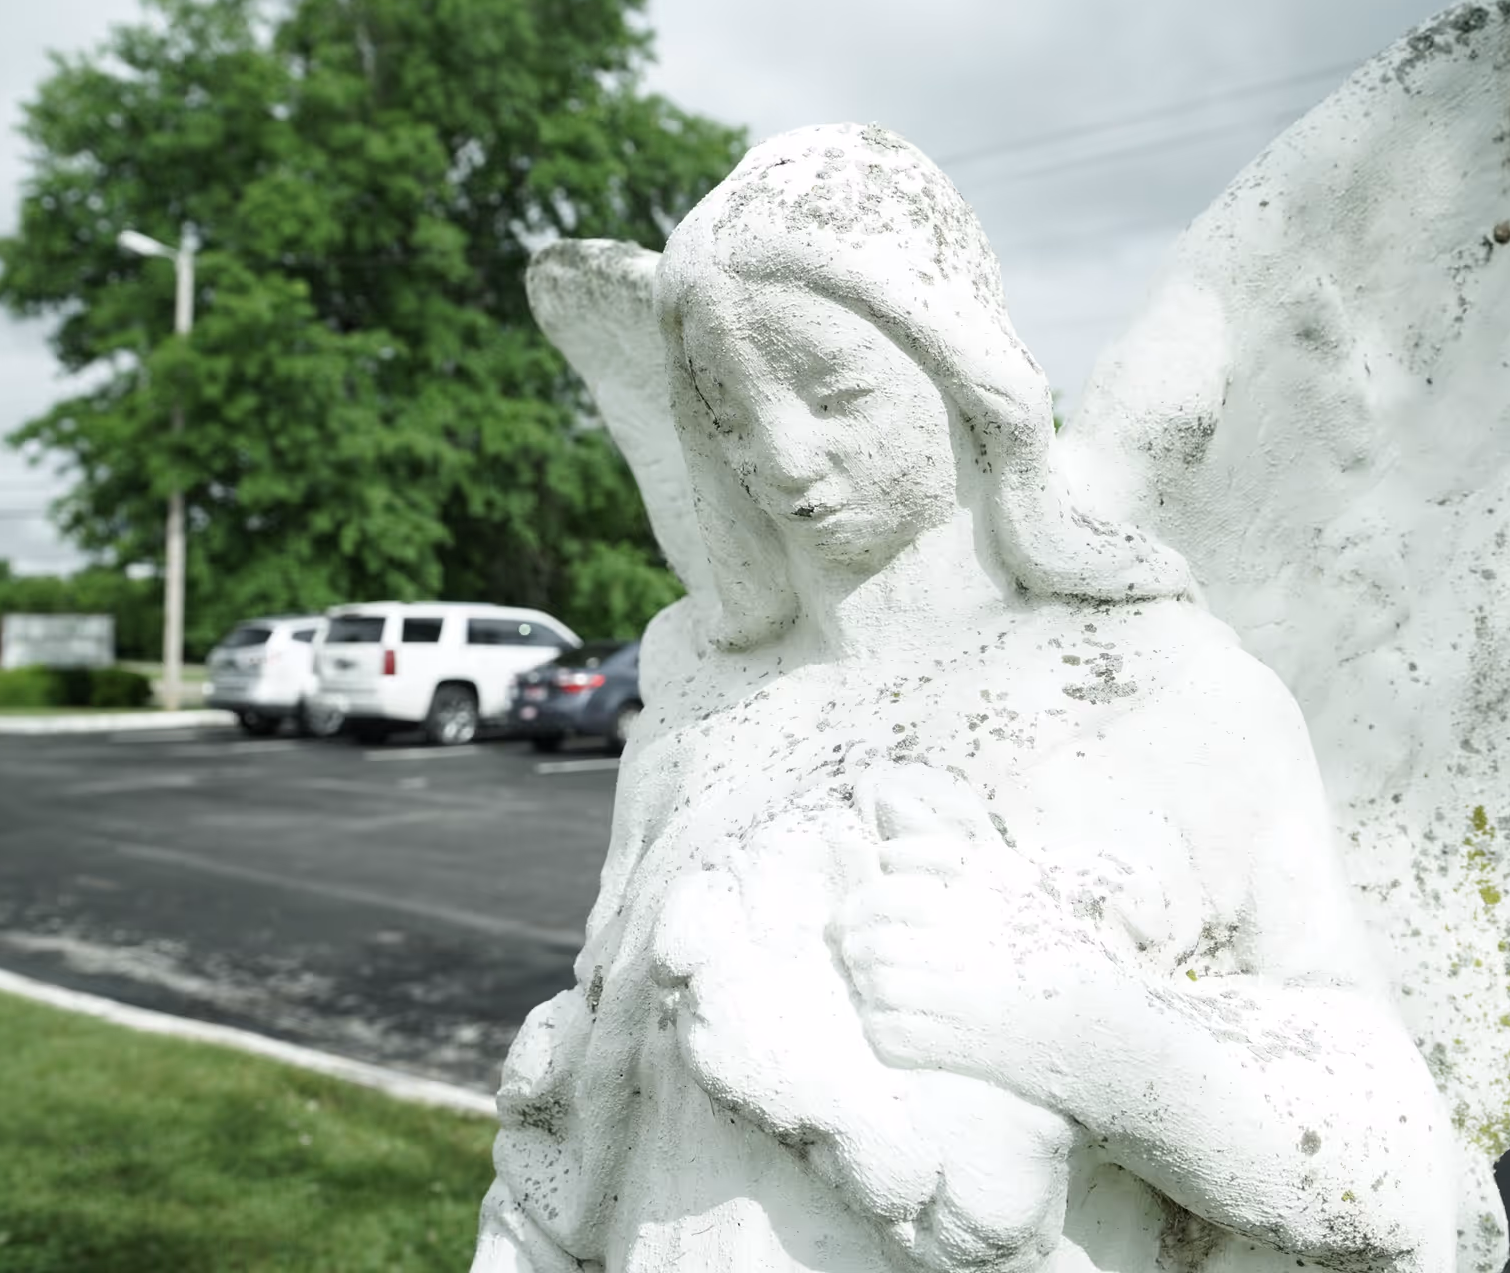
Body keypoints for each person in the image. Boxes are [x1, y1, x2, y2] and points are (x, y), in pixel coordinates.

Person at [476, 124, 1457, 1273]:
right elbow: (587, 1103)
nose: (782, 462)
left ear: (960, 370)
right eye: (733, 417)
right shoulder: (705, 700)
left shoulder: (1161, 688)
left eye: (834, 390)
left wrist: (1093, 1031)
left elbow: (1399, 1178)